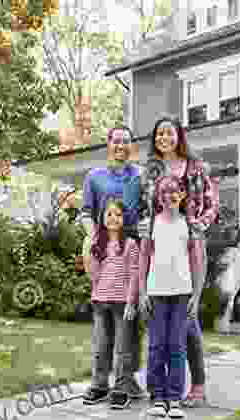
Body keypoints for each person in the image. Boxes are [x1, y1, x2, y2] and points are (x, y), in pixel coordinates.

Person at [137, 116, 219, 408]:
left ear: (179, 136)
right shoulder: (151, 170)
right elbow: (141, 205)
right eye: (159, 133)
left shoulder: (195, 167)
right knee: (171, 327)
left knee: (189, 318)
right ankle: (162, 387)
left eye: (169, 133)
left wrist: (199, 225)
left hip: (190, 241)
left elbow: (211, 201)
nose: (164, 138)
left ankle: (196, 385)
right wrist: (145, 226)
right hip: (161, 244)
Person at [80, 126, 146, 400]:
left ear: (131, 147)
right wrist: (94, 239)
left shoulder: (140, 176)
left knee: (130, 321)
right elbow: (85, 213)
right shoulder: (94, 177)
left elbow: (149, 209)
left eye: (126, 142)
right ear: (108, 144)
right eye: (116, 141)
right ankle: (100, 381)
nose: (121, 146)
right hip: (104, 251)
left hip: (133, 250)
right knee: (104, 327)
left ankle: (126, 380)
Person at [129, 175, 201, 418]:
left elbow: (197, 264)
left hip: (182, 294)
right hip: (156, 294)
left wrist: (197, 296)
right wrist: (142, 292)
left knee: (177, 346)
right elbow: (143, 260)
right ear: (157, 197)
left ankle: (174, 398)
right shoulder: (150, 225)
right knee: (157, 346)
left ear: (181, 195)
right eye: (163, 192)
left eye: (173, 191)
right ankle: (158, 397)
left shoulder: (189, 225)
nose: (168, 196)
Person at [83, 198, 141, 409]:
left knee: (123, 348)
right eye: (109, 214)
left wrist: (131, 302)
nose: (113, 218)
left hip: (122, 303)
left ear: (124, 219)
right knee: (100, 346)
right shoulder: (98, 243)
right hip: (100, 301)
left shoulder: (131, 244)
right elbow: (95, 275)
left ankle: (122, 387)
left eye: (118, 214)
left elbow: (135, 275)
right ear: (102, 218)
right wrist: (90, 253)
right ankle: (99, 384)